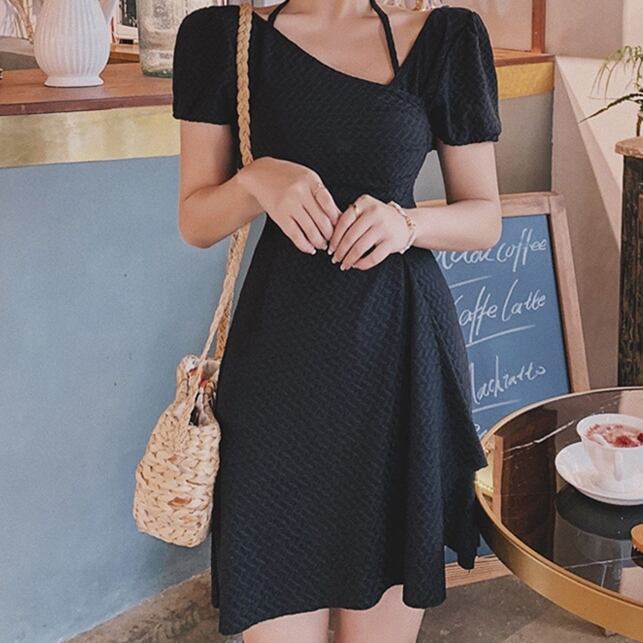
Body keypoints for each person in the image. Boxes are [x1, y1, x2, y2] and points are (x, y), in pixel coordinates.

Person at [171, 0, 502, 641]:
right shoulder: (222, 37)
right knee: (271, 590)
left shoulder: (445, 36)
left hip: (399, 362)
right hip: (278, 371)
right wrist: (255, 180)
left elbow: (484, 217)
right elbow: (196, 220)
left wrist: (406, 224)